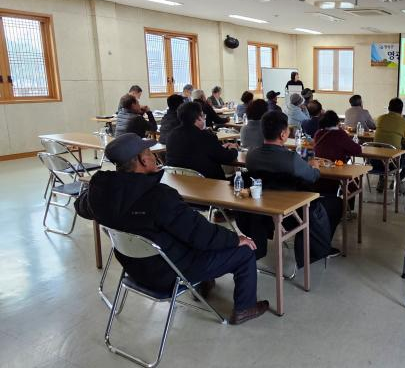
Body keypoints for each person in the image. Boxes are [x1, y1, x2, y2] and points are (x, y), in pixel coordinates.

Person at [74, 133, 268, 325]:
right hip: (169, 272)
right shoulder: (159, 196)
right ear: (143, 160)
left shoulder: (101, 195)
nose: (153, 156)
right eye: (149, 152)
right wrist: (236, 239)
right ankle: (245, 308)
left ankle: (204, 282)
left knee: (192, 236)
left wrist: (98, 190)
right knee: (244, 251)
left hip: (135, 269)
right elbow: (201, 234)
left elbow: (80, 206)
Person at [235, 111, 342, 266]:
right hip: (292, 215)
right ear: (283, 134)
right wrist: (314, 166)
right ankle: (319, 246)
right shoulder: (291, 159)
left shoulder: (251, 156)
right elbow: (313, 177)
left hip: (261, 213)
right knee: (336, 203)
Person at [165, 102, 239, 180]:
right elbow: (227, 158)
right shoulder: (206, 136)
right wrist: (233, 149)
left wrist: (220, 148)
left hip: (179, 182)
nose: (204, 118)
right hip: (208, 182)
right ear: (198, 118)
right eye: (203, 115)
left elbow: (196, 152)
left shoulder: (171, 135)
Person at [374, 98, 405, 191]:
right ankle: (398, 180)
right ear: (401, 110)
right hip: (393, 164)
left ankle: (382, 179)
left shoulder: (380, 118)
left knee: (383, 150)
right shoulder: (403, 122)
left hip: (374, 161)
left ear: (389, 108)